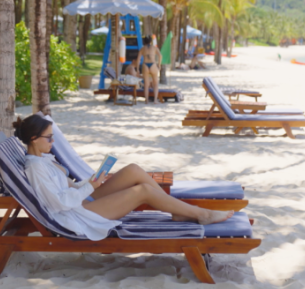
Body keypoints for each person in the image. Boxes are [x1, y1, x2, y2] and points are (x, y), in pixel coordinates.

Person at [13, 115, 234, 241]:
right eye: (49, 138)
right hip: (77, 215)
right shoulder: (36, 168)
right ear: (33, 139)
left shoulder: (44, 160)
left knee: (134, 170)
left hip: (82, 200)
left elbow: (67, 187)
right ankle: (202, 214)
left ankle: (178, 211)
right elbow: (59, 203)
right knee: (143, 192)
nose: (53, 142)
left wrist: (89, 183)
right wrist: (88, 188)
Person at [136, 35, 162, 104]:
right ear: (151, 41)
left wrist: (138, 69)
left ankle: (146, 100)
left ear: (144, 41)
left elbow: (138, 60)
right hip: (153, 65)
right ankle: (155, 100)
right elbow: (160, 56)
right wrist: (159, 65)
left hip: (145, 65)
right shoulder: (154, 48)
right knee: (155, 84)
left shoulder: (142, 49)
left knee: (146, 84)